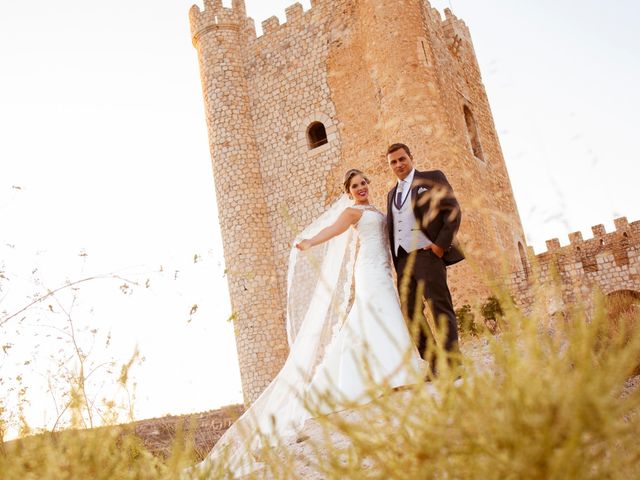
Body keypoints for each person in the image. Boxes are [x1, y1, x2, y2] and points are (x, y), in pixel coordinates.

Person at [192, 169, 422, 477]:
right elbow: (334, 231)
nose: (361, 187)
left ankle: (394, 369)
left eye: (364, 183)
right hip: (367, 268)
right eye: (355, 185)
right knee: (375, 312)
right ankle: (388, 373)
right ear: (348, 191)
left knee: (382, 313)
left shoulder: (375, 209)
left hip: (381, 266)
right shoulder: (353, 212)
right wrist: (311, 241)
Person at [386, 143, 464, 378]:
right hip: (403, 261)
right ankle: (435, 363)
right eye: (393, 162)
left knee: (440, 308)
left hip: (428, 254)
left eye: (402, 159)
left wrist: (440, 245)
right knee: (410, 313)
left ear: (411, 157)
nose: (399, 165)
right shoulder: (391, 194)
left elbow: (453, 210)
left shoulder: (432, 178)